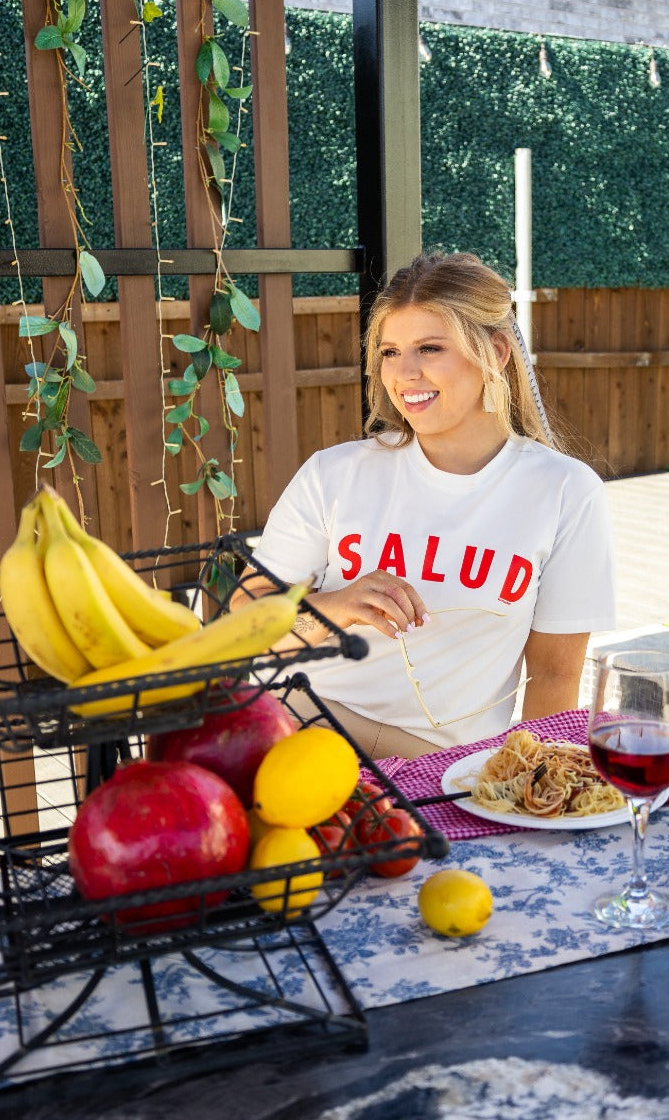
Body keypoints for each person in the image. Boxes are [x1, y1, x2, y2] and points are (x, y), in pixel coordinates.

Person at [235, 251, 616, 761]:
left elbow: (553, 674)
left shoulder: (565, 491)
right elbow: (247, 627)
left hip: (439, 764)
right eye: (390, 352)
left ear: (496, 351)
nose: (404, 373)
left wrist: (528, 782)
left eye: (430, 348)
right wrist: (335, 608)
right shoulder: (334, 473)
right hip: (301, 720)